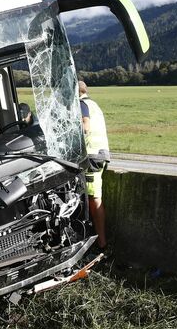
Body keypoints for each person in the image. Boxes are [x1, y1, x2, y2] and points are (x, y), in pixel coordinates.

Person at [78, 81, 110, 249]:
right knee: (92, 198)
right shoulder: (93, 104)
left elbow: (86, 126)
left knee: (93, 199)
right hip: (100, 155)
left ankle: (101, 245)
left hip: (91, 157)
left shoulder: (81, 104)